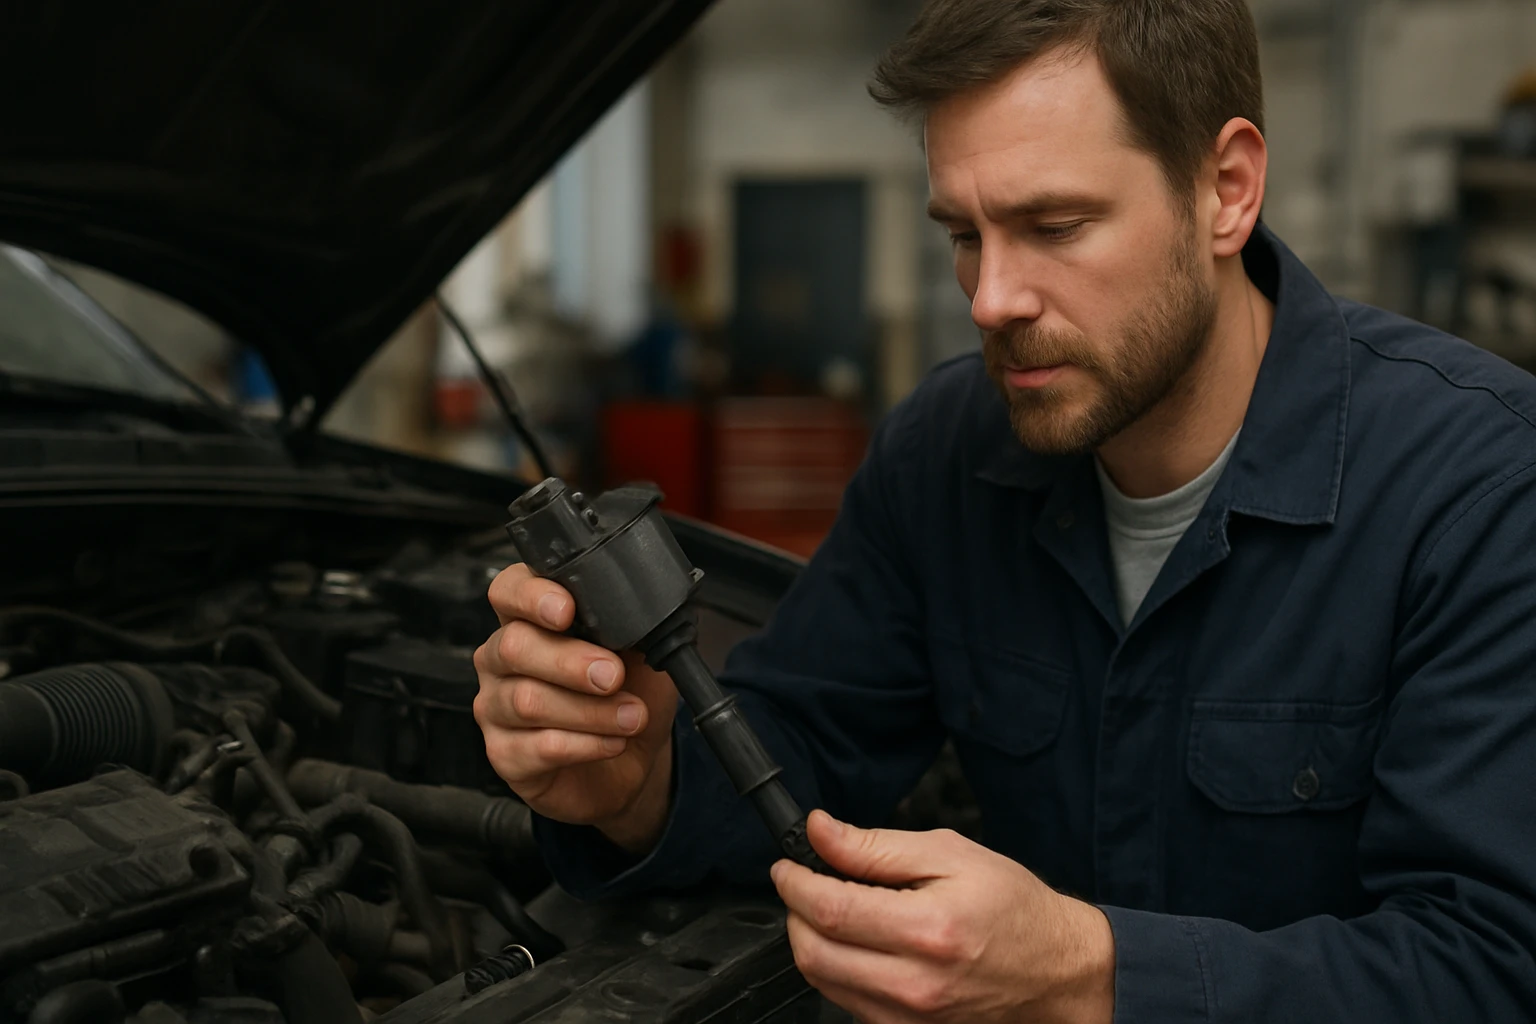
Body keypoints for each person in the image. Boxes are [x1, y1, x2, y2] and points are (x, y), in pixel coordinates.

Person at [473, 1, 1536, 1019]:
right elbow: (802, 751)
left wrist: (1091, 975)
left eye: (1055, 225)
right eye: (965, 233)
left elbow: (1492, 969)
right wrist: (633, 778)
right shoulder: (946, 451)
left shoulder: (1481, 489)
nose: (990, 300)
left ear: (1227, 188)